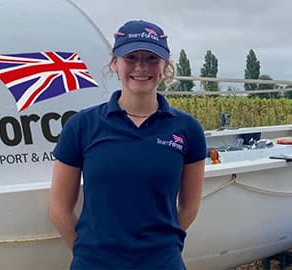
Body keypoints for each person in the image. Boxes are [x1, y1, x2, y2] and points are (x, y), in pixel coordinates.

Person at [49, 19, 207, 270]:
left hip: (162, 263)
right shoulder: (81, 126)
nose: (141, 67)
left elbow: (189, 207)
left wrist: (162, 246)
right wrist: (86, 252)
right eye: (131, 57)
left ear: (165, 66)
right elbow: (59, 208)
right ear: (115, 63)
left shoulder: (188, 130)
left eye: (152, 58)